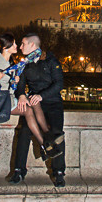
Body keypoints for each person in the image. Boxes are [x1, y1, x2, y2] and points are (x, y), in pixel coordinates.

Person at [9, 31, 66, 187]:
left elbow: (59, 84)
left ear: (32, 45)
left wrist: (42, 95)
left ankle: (59, 172)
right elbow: (20, 85)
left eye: (23, 44)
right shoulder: (24, 64)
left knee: (56, 133)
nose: (20, 47)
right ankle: (19, 170)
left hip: (52, 103)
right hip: (34, 104)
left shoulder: (51, 60)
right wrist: (21, 95)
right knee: (24, 132)